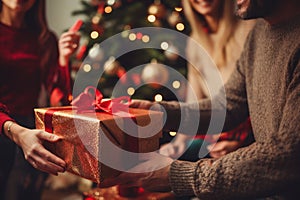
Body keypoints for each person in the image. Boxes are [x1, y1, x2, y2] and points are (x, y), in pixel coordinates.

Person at [100, 0, 300, 199]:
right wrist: (160, 113)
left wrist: (179, 176)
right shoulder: (259, 33)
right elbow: (228, 105)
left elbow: (286, 156)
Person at [0, 0, 80, 199]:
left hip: (30, 127)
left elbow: (59, 96)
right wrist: (13, 130)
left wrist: (63, 58)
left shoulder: (45, 39)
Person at [160, 0, 255, 160]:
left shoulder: (249, 29)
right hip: (213, 132)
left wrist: (243, 145)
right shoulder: (194, 43)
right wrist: (178, 142)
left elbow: (257, 103)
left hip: (244, 133)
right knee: (163, 157)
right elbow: (194, 100)